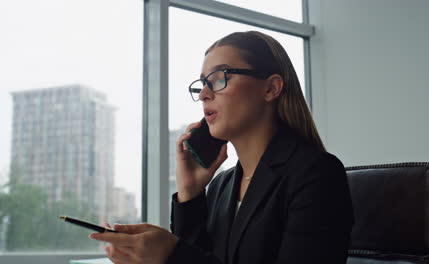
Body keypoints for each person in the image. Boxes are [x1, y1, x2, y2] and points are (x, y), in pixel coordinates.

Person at [89, 31, 354, 264]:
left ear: (271, 88)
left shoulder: (317, 175)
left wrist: (172, 254)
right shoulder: (221, 186)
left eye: (218, 78)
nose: (204, 93)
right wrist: (190, 193)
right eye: (202, 83)